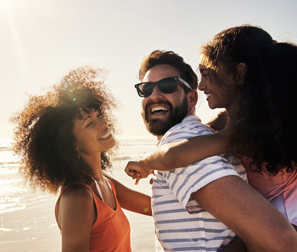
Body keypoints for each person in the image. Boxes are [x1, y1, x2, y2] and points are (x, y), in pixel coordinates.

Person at [125, 25, 297, 232]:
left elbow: (175, 154)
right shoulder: (228, 119)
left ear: (239, 74)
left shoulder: (246, 129)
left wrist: (147, 162)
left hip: (288, 224)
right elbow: (198, 137)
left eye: (207, 74)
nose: (202, 85)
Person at [11, 66, 151, 252]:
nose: (104, 123)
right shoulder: (78, 197)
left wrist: (155, 164)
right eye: (90, 123)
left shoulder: (106, 183)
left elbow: (154, 208)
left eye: (99, 115)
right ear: (70, 144)